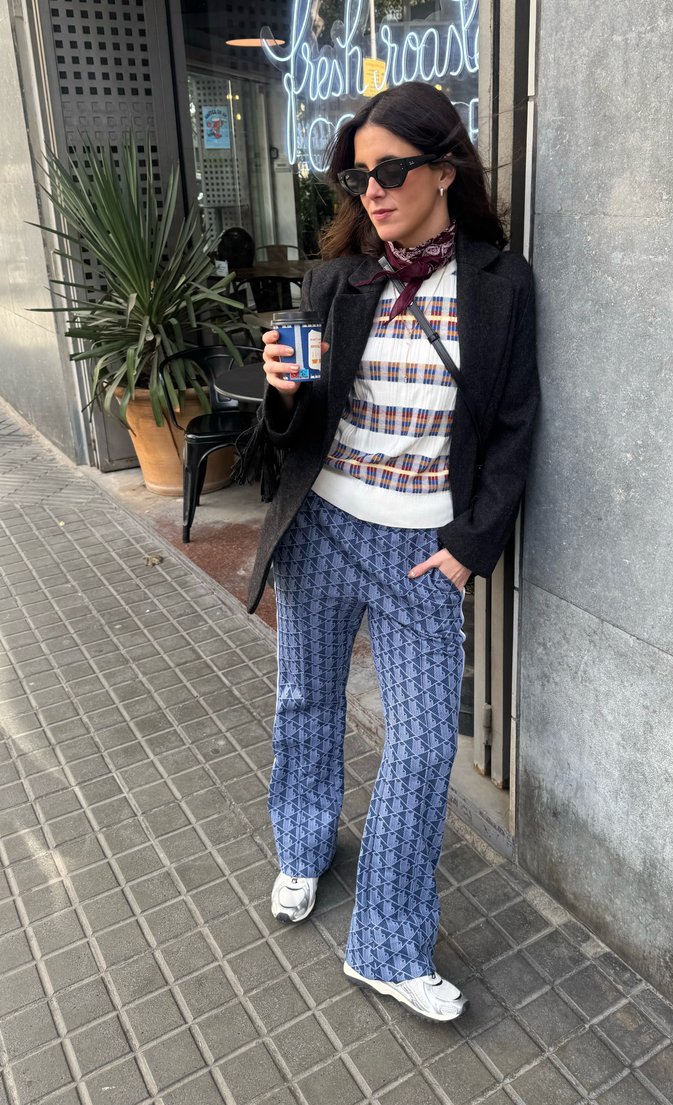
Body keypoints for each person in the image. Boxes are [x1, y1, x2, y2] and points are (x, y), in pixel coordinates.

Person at [247, 80, 538, 1023]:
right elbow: (302, 426)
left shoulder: (501, 282)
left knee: (418, 746)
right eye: (356, 176)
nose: (369, 191)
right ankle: (300, 847)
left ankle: (386, 942)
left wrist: (467, 548)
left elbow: (515, 430)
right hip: (323, 527)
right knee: (306, 693)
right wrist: (284, 391)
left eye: (389, 171)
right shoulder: (340, 281)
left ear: (443, 168)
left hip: (422, 552)